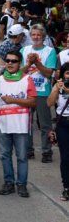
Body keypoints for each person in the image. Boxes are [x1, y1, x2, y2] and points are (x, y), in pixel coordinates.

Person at [0, 50, 37, 198]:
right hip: (3, 123)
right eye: (8, 61)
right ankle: (9, 183)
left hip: (21, 124)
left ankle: (22, 185)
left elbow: (33, 101)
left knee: (22, 156)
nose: (10, 63)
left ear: (20, 63)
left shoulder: (27, 79)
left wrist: (13, 100)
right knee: (5, 155)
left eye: (14, 61)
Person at [21, 24, 57, 163]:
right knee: (26, 122)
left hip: (43, 91)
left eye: (39, 35)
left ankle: (46, 152)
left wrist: (37, 63)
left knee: (45, 124)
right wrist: (29, 63)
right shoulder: (24, 50)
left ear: (43, 37)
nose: (36, 37)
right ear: (30, 36)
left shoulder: (50, 51)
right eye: (34, 34)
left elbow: (49, 73)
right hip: (27, 91)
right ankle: (28, 150)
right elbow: (20, 72)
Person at [47, 63, 69, 201]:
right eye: (67, 73)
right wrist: (56, 88)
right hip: (63, 123)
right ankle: (67, 187)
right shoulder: (59, 86)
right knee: (66, 157)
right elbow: (49, 103)